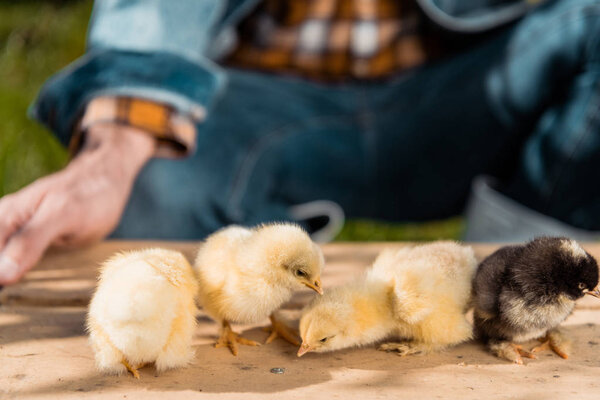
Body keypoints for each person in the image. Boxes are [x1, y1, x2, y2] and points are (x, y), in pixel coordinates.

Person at [0, 0, 599, 285]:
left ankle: (510, 292)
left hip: (461, 89)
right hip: (259, 102)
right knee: (152, 184)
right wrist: (112, 157)